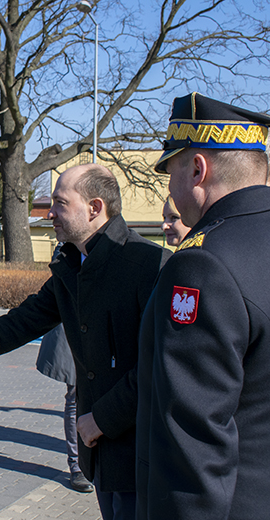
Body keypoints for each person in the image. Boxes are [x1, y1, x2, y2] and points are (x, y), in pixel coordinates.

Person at [0, 164, 171, 520]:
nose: (50, 212)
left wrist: (101, 418)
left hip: (144, 456)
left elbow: (161, 367)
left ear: (94, 207)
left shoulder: (150, 266)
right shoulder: (72, 264)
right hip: (102, 454)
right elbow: (21, 322)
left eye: (60, 202)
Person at [136, 93, 270, 519]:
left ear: (197, 169)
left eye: (171, 172)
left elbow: (194, 441)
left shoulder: (202, 264)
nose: (171, 189)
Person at [36, 244, 92, 494]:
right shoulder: (66, 253)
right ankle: (77, 465)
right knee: (75, 397)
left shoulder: (117, 249)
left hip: (106, 339)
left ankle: (94, 460)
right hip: (75, 335)